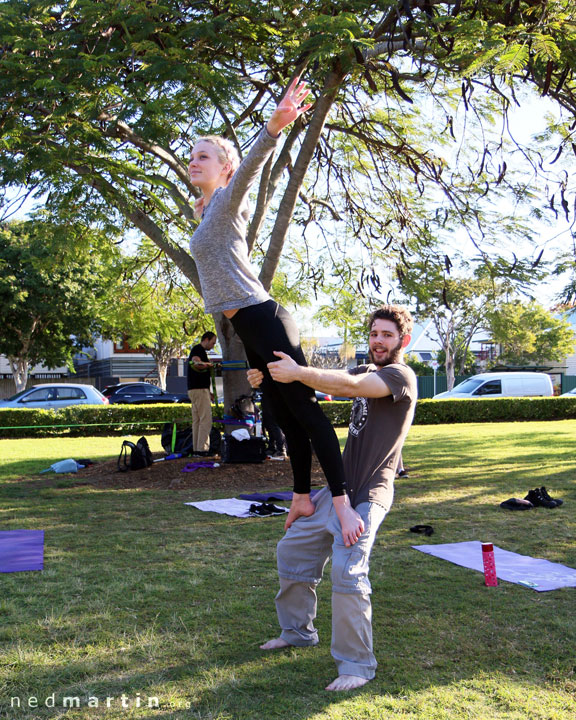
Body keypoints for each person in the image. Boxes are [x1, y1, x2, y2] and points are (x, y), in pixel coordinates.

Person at [187, 76, 363, 544]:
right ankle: (302, 496)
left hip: (263, 318)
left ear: (223, 168)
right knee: (282, 416)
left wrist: (275, 126)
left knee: (305, 409)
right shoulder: (205, 213)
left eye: (203, 155)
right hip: (248, 327)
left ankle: (343, 503)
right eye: (191, 155)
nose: (193, 161)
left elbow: (249, 170)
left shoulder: (225, 201)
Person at [249, 305, 417, 692]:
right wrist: (270, 378)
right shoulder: (363, 370)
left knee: (347, 570)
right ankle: (297, 632)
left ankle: (356, 665)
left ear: (402, 341)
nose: (378, 340)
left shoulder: (400, 376)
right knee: (291, 549)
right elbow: (325, 384)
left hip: (369, 495)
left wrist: (298, 372)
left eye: (387, 335)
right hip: (338, 491)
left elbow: (350, 388)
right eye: (374, 333)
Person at [187, 331, 217, 456]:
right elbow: (196, 363)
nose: (213, 346)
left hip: (195, 389)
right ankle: (202, 449)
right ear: (206, 339)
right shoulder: (198, 350)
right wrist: (209, 365)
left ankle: (196, 449)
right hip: (199, 390)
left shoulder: (198, 350)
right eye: (213, 342)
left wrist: (209, 392)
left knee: (197, 420)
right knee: (205, 420)